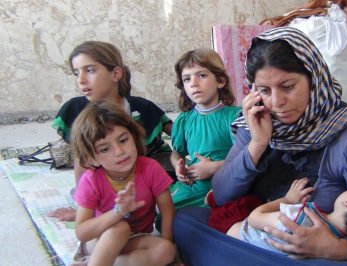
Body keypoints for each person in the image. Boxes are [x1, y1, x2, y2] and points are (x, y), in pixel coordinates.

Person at [173, 27, 347, 265]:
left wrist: (337, 248)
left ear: (313, 78)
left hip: (316, 252)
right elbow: (224, 195)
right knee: (184, 221)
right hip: (259, 232)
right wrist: (257, 144)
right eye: (265, 91)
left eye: (288, 86)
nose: (277, 103)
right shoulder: (256, 120)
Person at [48, 41, 173, 221]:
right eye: (76, 73)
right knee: (84, 164)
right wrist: (84, 210)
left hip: (151, 172)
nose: (81, 80)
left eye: (90, 70)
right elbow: (83, 161)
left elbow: (181, 134)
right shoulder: (76, 110)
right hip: (110, 173)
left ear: (115, 73)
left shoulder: (140, 107)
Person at [70, 101, 175, 265]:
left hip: (138, 238)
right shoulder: (91, 180)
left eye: (123, 140)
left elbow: (167, 210)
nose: (119, 152)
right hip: (99, 238)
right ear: (91, 158)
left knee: (166, 250)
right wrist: (118, 212)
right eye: (105, 149)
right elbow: (82, 232)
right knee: (120, 228)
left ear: (133, 136)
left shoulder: (150, 168)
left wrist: (170, 247)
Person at [228, 178, 347, 256]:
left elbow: (255, 217)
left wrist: (286, 199)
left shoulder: (299, 217)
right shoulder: (343, 240)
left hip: (235, 237)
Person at [169, 48, 241, 209]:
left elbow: (247, 157)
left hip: (226, 185)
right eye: (187, 79)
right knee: (165, 214)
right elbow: (176, 153)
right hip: (194, 186)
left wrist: (214, 167)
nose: (194, 83)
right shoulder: (184, 120)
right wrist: (178, 166)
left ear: (220, 81)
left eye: (202, 75)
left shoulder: (235, 117)